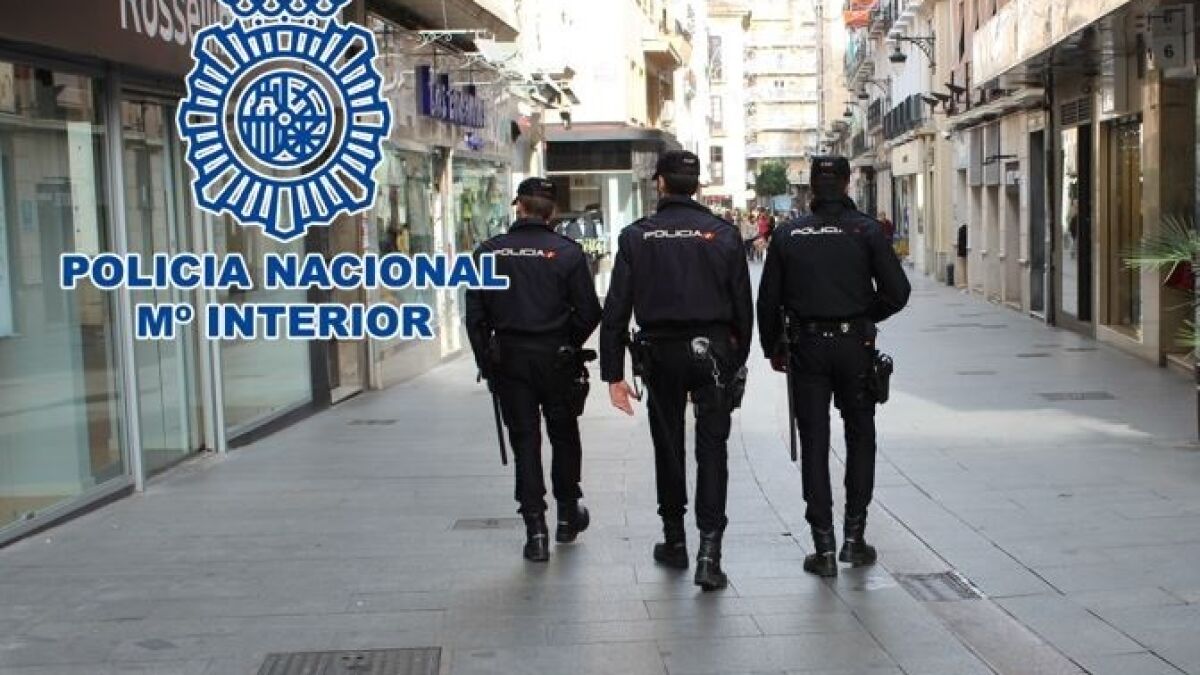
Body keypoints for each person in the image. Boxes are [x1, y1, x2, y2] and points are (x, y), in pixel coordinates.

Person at [600, 150, 753, 591]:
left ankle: (674, 540)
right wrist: (735, 362)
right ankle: (710, 554)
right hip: (713, 352)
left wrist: (613, 374)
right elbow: (743, 309)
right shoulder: (723, 234)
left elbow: (616, 310)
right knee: (713, 450)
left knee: (668, 447)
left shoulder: (636, 236)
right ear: (698, 185)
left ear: (660, 183)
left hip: (660, 353)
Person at [757, 156, 911, 578]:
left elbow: (767, 300)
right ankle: (854, 539)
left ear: (811, 186)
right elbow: (898, 291)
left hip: (806, 347)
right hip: (854, 346)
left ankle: (823, 546)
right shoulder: (866, 231)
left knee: (815, 443)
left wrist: (773, 347)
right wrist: (863, 315)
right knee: (860, 435)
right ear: (846, 184)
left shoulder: (788, 234)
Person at [465, 177, 603, 562]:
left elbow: (474, 316)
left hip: (510, 360)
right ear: (552, 211)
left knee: (525, 441)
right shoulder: (568, 253)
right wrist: (568, 341)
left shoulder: (489, 252)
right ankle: (567, 515)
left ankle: (535, 530)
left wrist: (487, 361)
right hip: (557, 358)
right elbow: (590, 311)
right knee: (564, 434)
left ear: (519, 207)